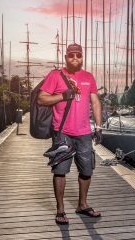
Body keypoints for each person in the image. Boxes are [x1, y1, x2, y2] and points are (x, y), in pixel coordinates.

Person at [37, 43, 102, 225]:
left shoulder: (89, 77)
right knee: (60, 171)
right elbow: (41, 99)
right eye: (71, 55)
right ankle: (60, 210)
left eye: (78, 55)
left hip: (84, 133)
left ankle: (82, 204)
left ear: (82, 57)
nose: (75, 58)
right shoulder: (55, 75)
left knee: (87, 170)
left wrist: (98, 127)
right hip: (62, 132)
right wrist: (62, 96)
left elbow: (95, 103)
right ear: (66, 57)